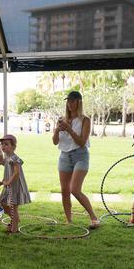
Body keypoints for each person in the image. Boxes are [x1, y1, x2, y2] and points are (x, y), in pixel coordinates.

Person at [52, 91, 100, 228]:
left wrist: (69, 130)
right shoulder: (62, 119)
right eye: (68, 101)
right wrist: (57, 130)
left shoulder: (85, 120)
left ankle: (94, 218)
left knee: (75, 189)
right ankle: (69, 221)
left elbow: (82, 142)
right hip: (64, 156)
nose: (70, 104)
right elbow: (55, 142)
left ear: (79, 102)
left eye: (73, 101)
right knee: (65, 191)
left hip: (80, 155)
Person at [0, 135, 31, 234]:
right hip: (8, 184)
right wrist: (3, 181)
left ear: (13, 146)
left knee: (13, 207)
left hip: (15, 186)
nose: (3, 146)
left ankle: (14, 230)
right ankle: (15, 219)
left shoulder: (14, 158)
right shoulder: (6, 157)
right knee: (2, 203)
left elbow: (16, 173)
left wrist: (8, 182)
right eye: (2, 144)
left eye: (6, 144)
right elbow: (8, 171)